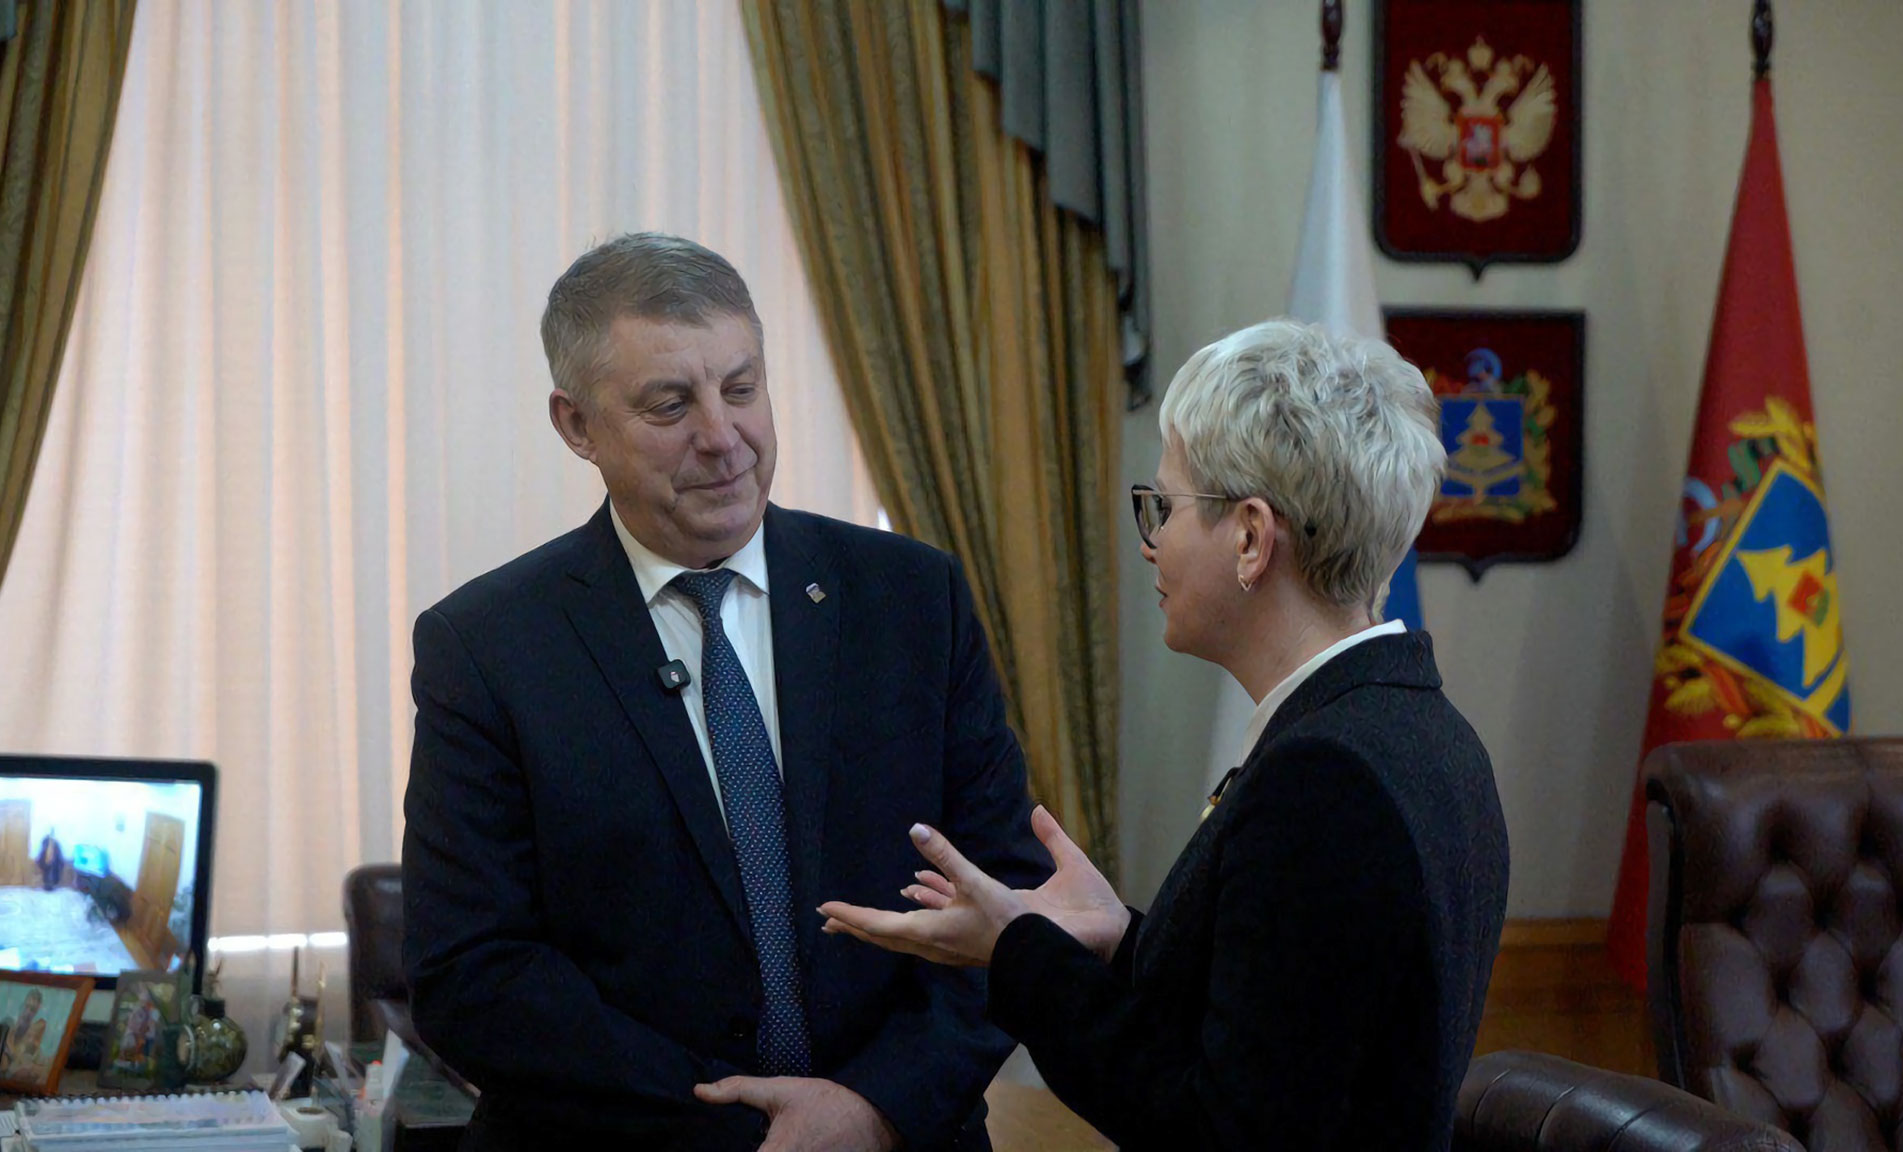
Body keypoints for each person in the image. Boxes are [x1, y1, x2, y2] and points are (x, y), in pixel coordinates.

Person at [402, 233, 1049, 1151]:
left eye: (741, 389)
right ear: (577, 426)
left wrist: (872, 1110)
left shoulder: (912, 598)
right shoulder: (487, 647)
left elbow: (1007, 895)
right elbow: (472, 972)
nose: (722, 436)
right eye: (671, 405)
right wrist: (751, 1129)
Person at [823, 318, 1512, 1150]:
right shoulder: (1424, 729)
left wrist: (1015, 953)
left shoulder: (1326, 782)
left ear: (1251, 537)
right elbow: (1294, 1022)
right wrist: (1123, 939)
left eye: (1166, 507)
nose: (1151, 545)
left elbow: (1215, 1130)